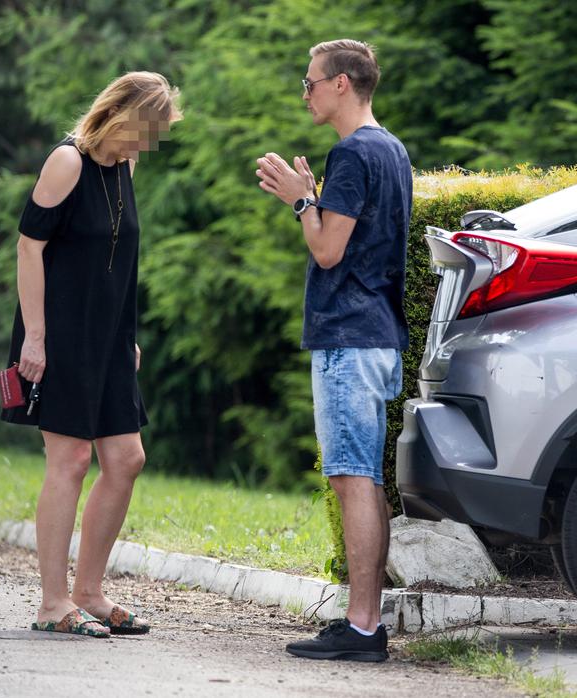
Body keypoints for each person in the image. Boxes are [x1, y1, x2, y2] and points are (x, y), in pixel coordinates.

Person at [1, 71, 182, 637]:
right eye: (145, 131)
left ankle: (90, 592)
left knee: (127, 459)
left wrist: (126, 335)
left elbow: (122, 262)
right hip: (57, 335)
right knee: (72, 459)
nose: (147, 145)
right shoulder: (68, 163)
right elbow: (30, 249)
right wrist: (35, 337)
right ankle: (53, 604)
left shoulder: (125, 167)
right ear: (121, 116)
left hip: (106, 338)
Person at [256, 40, 412, 661]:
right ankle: (363, 619)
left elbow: (327, 250)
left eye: (311, 82)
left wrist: (299, 200)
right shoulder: (390, 147)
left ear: (342, 83)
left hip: (349, 335)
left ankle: (364, 628)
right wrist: (315, 198)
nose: (306, 92)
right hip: (378, 334)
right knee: (363, 479)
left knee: (351, 478)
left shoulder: (351, 152)